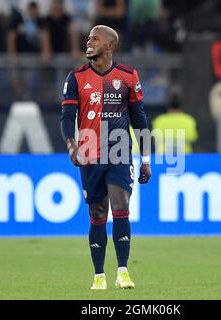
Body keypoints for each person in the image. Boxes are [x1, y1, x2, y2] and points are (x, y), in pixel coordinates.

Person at [60, 25, 151, 290]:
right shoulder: (76, 77)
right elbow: (67, 117)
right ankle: (99, 275)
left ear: (110, 46)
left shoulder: (128, 75)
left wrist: (146, 158)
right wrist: (71, 144)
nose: (88, 42)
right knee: (97, 211)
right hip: (89, 152)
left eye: (95, 39)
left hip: (120, 151)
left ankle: (123, 271)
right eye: (88, 38)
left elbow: (139, 118)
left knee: (121, 205)